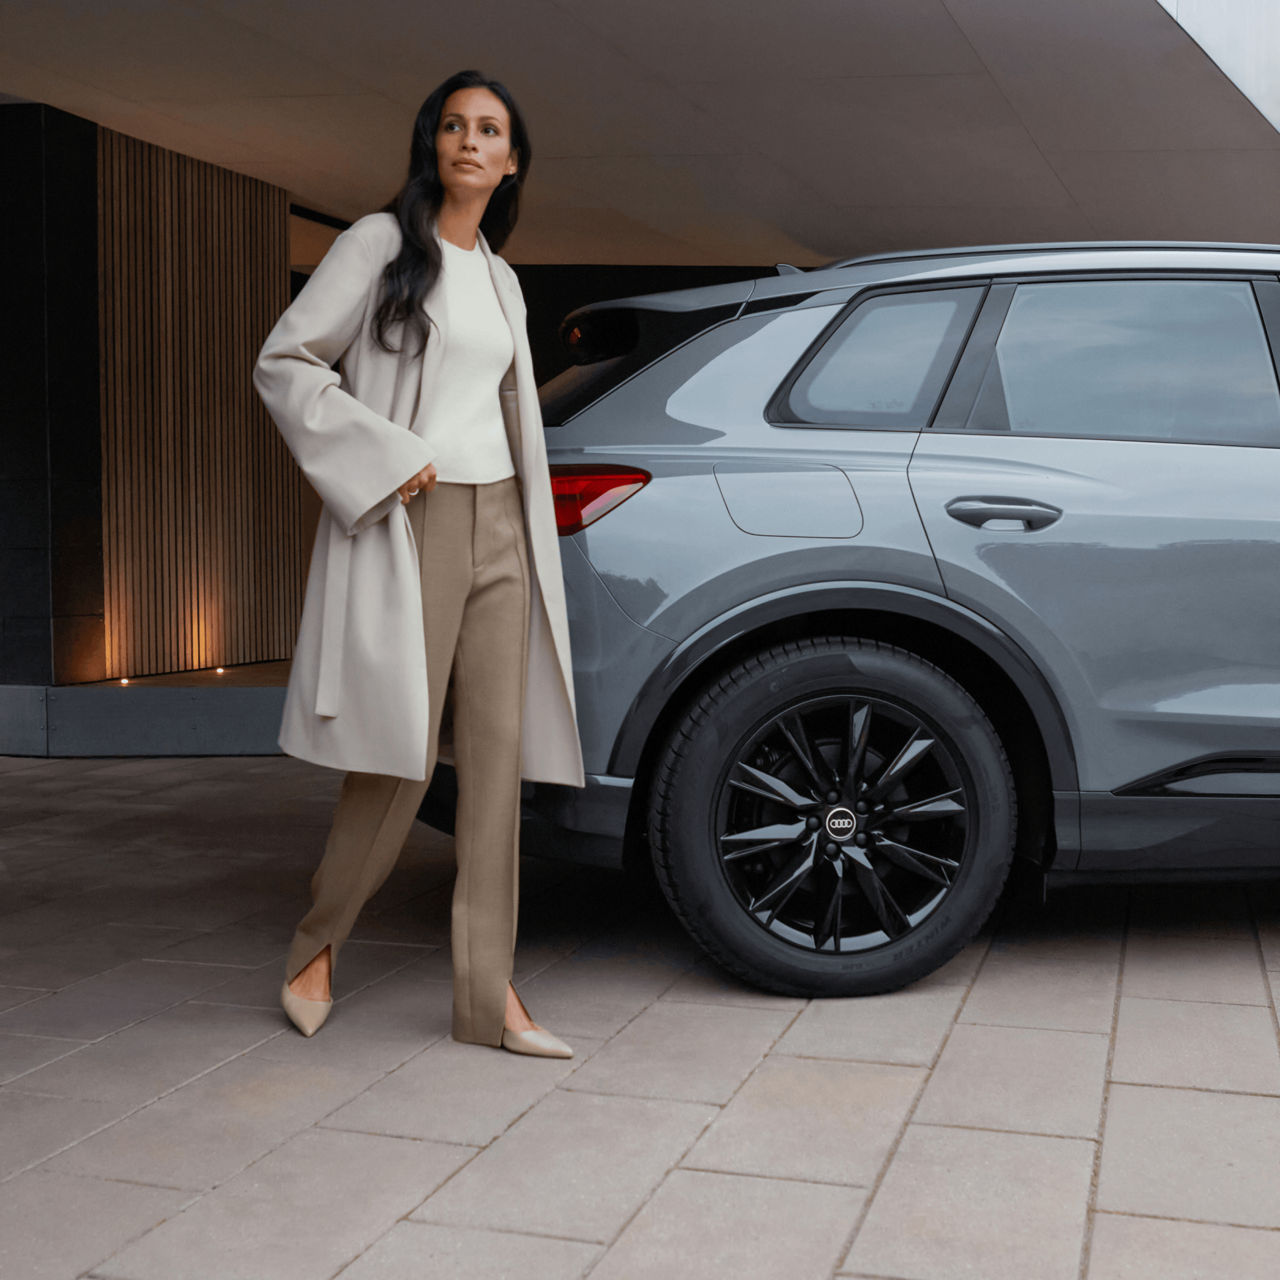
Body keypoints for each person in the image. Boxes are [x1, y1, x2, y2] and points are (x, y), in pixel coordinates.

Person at [253, 69, 585, 1058]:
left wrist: (520, 525)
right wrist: (387, 459)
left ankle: (489, 996)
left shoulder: (500, 275)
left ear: (512, 158)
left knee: (494, 769)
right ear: (431, 144)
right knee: (396, 758)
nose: (468, 142)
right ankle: (314, 945)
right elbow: (285, 361)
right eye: (453, 126)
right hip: (419, 513)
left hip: (502, 531)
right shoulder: (376, 244)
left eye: (488, 130)